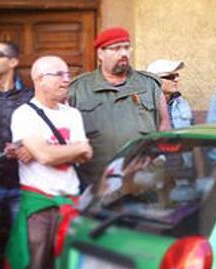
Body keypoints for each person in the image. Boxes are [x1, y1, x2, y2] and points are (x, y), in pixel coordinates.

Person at [5, 56, 92, 269]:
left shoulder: (72, 115)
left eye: (68, 74)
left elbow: (87, 153)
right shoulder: (24, 114)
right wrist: (73, 149)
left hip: (71, 204)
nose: (67, 80)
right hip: (38, 206)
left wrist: (44, 150)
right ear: (39, 79)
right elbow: (47, 156)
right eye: (60, 74)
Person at [68, 27, 168, 188]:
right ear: (100, 53)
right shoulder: (78, 89)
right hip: (96, 183)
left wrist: (158, 157)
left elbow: (164, 125)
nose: (124, 53)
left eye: (127, 47)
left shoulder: (149, 85)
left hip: (143, 179)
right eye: (116, 49)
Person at [0, 41, 33, 267]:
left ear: (13, 62)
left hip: (21, 183)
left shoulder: (31, 96)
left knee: (20, 250)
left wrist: (26, 147)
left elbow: (42, 134)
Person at [146, 59, 193, 128]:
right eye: (170, 77)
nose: (176, 80)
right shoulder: (143, 106)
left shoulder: (182, 103)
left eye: (177, 75)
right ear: (154, 80)